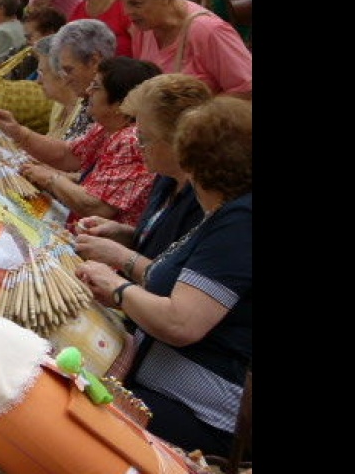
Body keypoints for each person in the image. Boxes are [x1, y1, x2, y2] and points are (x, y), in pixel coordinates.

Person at [75, 96, 251, 456]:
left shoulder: (240, 222)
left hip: (202, 412)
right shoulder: (226, 213)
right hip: (167, 383)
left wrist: (118, 288)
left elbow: (181, 323)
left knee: (69, 406)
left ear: (194, 162)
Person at [0, 56, 162, 231]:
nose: (88, 91)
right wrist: (19, 133)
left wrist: (50, 178)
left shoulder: (131, 140)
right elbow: (68, 155)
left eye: (96, 87)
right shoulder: (108, 128)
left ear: (120, 105)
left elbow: (96, 206)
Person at [73, 72, 211, 270]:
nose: (138, 145)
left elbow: (177, 283)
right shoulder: (166, 178)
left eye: (144, 138)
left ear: (178, 140)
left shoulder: (204, 198)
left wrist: (122, 257)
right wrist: (123, 233)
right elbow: (158, 245)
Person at [109, 0, 252, 98]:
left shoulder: (208, 31)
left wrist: (197, 109)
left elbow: (247, 90)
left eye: (135, 4)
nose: (126, 12)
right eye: (122, 3)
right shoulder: (141, 28)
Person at [31, 35, 85, 141]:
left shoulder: (85, 113)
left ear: (63, 75)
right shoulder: (59, 104)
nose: (38, 81)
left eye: (41, 73)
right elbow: (48, 144)